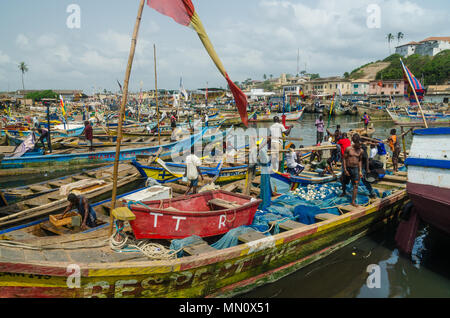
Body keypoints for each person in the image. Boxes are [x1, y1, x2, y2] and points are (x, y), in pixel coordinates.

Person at [341, 134, 364, 207]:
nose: (360, 145)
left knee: (355, 185)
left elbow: (360, 160)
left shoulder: (361, 151)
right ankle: (344, 192)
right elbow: (344, 159)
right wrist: (345, 169)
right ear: (355, 142)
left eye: (360, 144)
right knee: (343, 181)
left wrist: (360, 170)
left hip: (355, 169)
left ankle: (353, 201)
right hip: (348, 168)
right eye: (358, 144)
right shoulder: (348, 149)